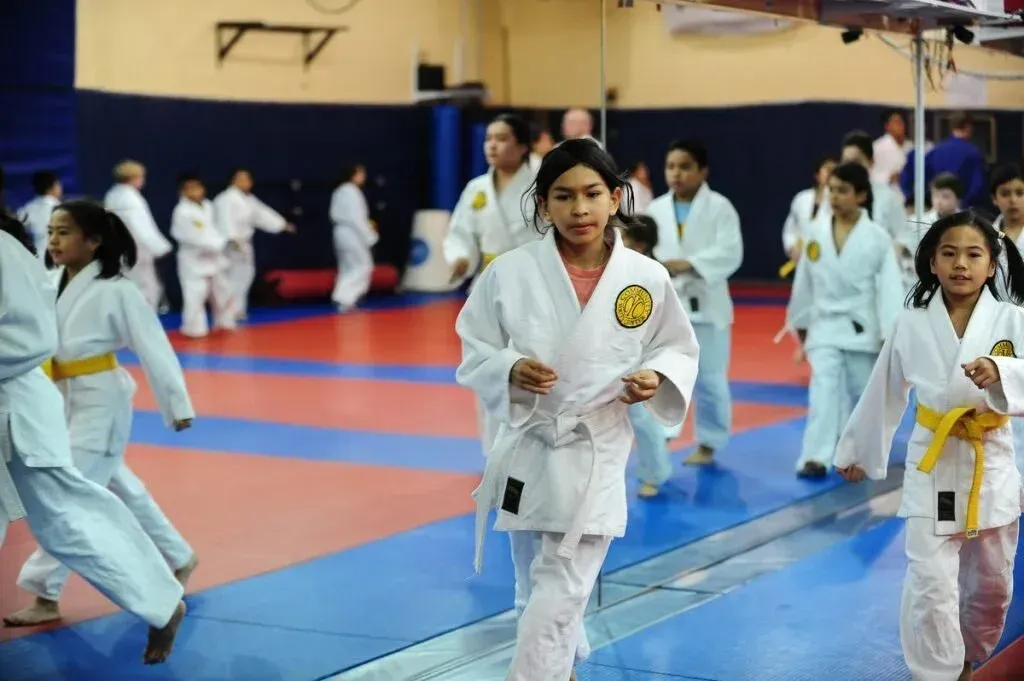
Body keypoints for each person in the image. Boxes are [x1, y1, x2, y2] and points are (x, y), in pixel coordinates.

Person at [457, 138, 699, 681]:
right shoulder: (509, 272)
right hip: (528, 441)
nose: (579, 209)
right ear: (543, 204)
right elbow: (475, 345)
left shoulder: (645, 277)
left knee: (561, 583)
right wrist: (509, 368)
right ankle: (560, 665)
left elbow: (677, 347)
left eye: (592, 194)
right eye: (563, 196)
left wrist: (656, 376)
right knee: (533, 585)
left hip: (596, 445)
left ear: (616, 198)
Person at [834, 210, 1024, 681]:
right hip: (932, 462)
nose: (961, 264)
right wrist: (859, 450)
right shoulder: (911, 321)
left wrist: (1004, 372)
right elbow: (885, 387)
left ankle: (967, 657)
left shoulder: (1012, 319)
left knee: (991, 584)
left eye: (974, 254)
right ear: (932, 264)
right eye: (949, 253)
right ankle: (936, 671)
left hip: (990, 460)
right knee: (929, 581)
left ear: (992, 264)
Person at [0, 215, 186, 664]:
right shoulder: (45, 272)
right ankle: (172, 570)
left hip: (51, 399)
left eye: (65, 231)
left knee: (69, 511)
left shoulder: (5, 250)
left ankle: (162, 599)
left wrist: (176, 404)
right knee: (105, 489)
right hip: (53, 395)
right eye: (52, 232)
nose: (55, 241)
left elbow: (34, 338)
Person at [786, 162, 904, 478]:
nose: (835, 197)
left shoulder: (877, 237)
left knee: (859, 394)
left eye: (843, 190)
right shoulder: (814, 232)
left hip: (862, 327)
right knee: (822, 390)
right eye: (831, 189)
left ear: (861, 195)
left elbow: (889, 289)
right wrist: (800, 323)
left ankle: (855, 454)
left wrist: (888, 333)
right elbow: (805, 282)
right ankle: (814, 456)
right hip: (825, 324)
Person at [444, 113, 542, 456]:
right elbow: (461, 233)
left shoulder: (541, 185)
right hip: (486, 289)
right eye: (488, 139)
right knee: (488, 372)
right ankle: (494, 455)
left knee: (527, 373)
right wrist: (460, 258)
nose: (492, 145)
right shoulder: (476, 189)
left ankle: (528, 451)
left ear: (522, 145)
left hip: (532, 289)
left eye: (501, 138)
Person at [646, 139, 742, 465]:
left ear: (703, 171)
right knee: (662, 373)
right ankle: (661, 435)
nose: (677, 173)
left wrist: (689, 264)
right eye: (671, 166)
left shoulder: (720, 207)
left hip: (708, 307)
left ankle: (709, 442)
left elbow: (731, 251)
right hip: (667, 306)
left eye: (685, 166)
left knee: (711, 378)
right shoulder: (656, 209)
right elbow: (642, 250)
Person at [621, 215, 675, 497]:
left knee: (643, 417)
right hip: (614, 352)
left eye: (625, 239)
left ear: (640, 245)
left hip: (645, 355)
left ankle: (654, 474)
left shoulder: (655, 274)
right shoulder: (616, 268)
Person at [212, 168, 296, 321]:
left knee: (245, 276)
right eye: (242, 179)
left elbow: (263, 214)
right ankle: (226, 312)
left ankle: (237, 309)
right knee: (229, 278)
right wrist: (231, 238)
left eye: (248, 179)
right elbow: (224, 220)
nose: (246, 182)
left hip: (244, 243)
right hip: (230, 244)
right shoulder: (225, 199)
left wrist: (282, 224)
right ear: (233, 181)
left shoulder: (248, 200)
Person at [170, 172, 235, 338]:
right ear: (182, 192)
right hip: (194, 259)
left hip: (213, 257)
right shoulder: (182, 212)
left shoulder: (208, 206)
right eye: (189, 189)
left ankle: (224, 322)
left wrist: (224, 241)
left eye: (197, 187)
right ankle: (194, 329)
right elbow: (192, 237)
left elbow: (213, 230)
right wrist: (220, 244)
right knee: (195, 295)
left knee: (223, 291)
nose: (195, 191)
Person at [104, 160, 173, 310]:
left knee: (126, 288)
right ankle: (144, 328)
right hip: (137, 251)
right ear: (134, 177)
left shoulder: (112, 195)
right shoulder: (131, 198)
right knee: (147, 289)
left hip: (119, 250)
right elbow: (142, 226)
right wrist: (160, 247)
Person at [900, 112, 987, 209]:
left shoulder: (935, 151)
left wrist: (916, 197)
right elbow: (978, 186)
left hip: (936, 208)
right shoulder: (973, 153)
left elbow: (910, 177)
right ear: (968, 127)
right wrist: (961, 204)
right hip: (963, 210)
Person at [897, 172, 964, 291]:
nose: (939, 201)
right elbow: (900, 248)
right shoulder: (916, 221)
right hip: (919, 281)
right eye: (936, 195)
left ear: (957, 199)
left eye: (945, 196)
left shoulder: (968, 224)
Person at [330, 163, 377, 313]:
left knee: (347, 268)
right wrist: (370, 236)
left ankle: (342, 298)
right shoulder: (351, 192)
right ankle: (345, 298)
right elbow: (357, 218)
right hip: (352, 233)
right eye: (361, 173)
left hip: (341, 233)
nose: (364, 176)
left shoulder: (339, 191)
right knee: (363, 266)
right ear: (353, 174)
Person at [780, 155, 837, 277]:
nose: (831, 174)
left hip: (828, 266)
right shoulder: (801, 199)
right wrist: (792, 248)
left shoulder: (839, 203)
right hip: (801, 264)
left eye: (835, 171)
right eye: (828, 170)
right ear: (817, 175)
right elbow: (790, 229)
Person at [17, 170, 62, 259]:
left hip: (35, 260)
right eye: (58, 185)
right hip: (59, 259)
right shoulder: (62, 210)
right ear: (52, 187)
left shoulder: (26, 210)